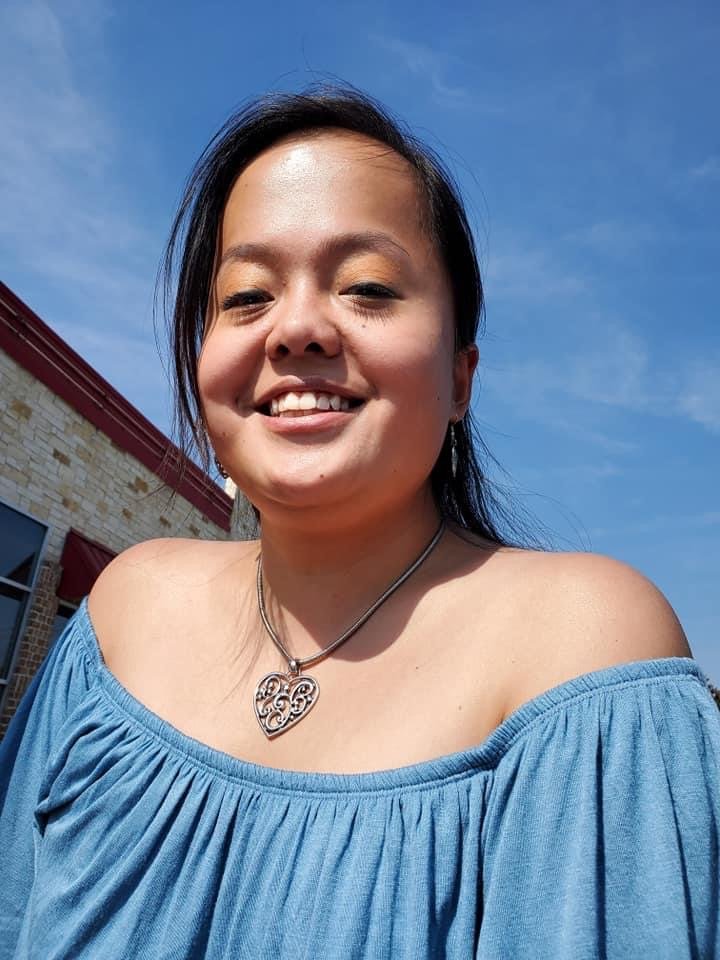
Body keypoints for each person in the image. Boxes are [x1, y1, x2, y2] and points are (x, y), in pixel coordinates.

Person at [1, 85, 718, 960]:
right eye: (246, 295)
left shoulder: (585, 652)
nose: (296, 327)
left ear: (461, 378)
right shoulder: (120, 616)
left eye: (368, 287)